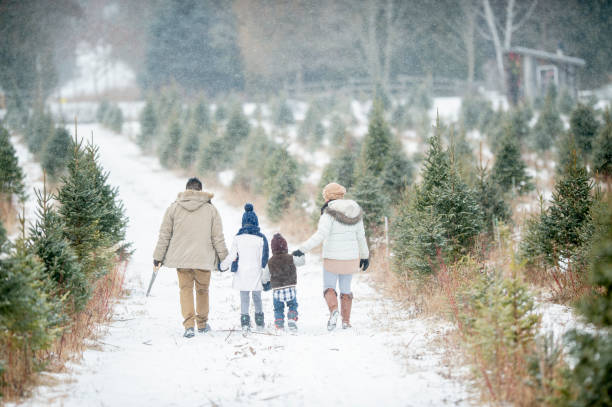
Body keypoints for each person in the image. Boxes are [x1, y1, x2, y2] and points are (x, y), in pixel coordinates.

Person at [153, 177, 228, 338]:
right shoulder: (211, 210)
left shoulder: (173, 208)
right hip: (203, 258)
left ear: (186, 189)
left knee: (185, 290)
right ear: (201, 191)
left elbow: (164, 235)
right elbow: (218, 237)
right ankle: (201, 324)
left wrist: (158, 257)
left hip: (182, 259)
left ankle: (189, 325)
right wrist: (224, 258)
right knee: (202, 290)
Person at [294, 182, 369, 330]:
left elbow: (320, 235)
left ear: (327, 196)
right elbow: (361, 236)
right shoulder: (355, 211)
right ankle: (346, 322)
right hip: (350, 258)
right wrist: (365, 256)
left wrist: (302, 249)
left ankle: (334, 311)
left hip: (332, 258)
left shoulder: (328, 213)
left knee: (329, 287)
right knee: (346, 289)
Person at [220, 203, 269, 333]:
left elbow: (232, 256)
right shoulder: (260, 238)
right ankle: (259, 323)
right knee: (257, 298)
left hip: (242, 273)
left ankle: (245, 324)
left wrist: (222, 266)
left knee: (244, 298)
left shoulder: (238, 238)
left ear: (243, 222)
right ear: (256, 222)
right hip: (256, 273)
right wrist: (265, 273)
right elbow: (263, 259)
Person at [262, 233, 305, 331]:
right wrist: (301, 254)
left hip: (277, 290)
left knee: (278, 308)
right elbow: (302, 262)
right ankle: (291, 318)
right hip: (290, 288)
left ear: (272, 248)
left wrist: (264, 283)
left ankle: (279, 323)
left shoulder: (270, 261)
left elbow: (265, 278)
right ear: (285, 246)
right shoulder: (291, 257)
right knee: (292, 304)